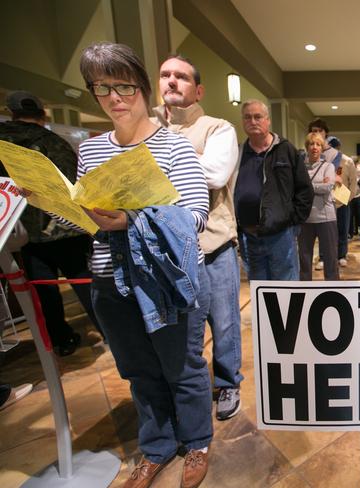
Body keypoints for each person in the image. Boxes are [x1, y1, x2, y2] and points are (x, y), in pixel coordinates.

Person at [75, 42, 212, 488]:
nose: (115, 98)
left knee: (182, 366)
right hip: (108, 276)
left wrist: (132, 219)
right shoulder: (91, 151)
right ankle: (156, 446)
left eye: (124, 87)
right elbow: (84, 217)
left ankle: (196, 443)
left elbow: (194, 215)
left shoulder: (173, 147)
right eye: (102, 89)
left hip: (163, 276)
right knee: (137, 369)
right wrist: (51, 204)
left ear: (142, 87)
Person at [152, 54, 242, 421]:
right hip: (166, 248)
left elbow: (214, 175)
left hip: (213, 243)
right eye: (165, 75)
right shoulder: (147, 127)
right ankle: (186, 389)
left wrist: (154, 167)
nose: (172, 81)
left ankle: (227, 381)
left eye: (182, 77)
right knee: (177, 325)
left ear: (198, 88)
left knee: (223, 322)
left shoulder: (218, 128)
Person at [0, 91, 102, 356]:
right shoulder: (56, 141)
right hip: (69, 230)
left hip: (28, 235)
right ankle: (109, 331)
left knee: (46, 295)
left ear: (12, 113)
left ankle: (61, 340)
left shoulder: (3, 145)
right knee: (87, 285)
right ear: (43, 114)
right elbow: (76, 186)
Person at [234, 100, 313, 280]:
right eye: (247, 117)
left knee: (286, 292)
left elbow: (305, 190)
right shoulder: (238, 153)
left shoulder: (286, 150)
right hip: (248, 238)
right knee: (260, 293)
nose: (252, 121)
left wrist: (291, 222)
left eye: (257, 117)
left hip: (281, 236)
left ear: (268, 120)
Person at [298, 133, 339, 280]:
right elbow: (295, 188)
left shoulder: (328, 166)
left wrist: (306, 186)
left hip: (326, 218)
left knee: (330, 258)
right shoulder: (300, 168)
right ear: (307, 147)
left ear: (322, 148)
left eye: (318, 144)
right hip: (305, 219)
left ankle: (333, 290)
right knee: (304, 259)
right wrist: (317, 185)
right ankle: (305, 293)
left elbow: (327, 188)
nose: (314, 147)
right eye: (311, 144)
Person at [326, 136, 356, 267]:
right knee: (326, 231)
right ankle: (324, 256)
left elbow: (353, 182)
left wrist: (348, 199)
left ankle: (342, 255)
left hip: (342, 199)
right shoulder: (323, 160)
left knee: (343, 229)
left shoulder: (347, 161)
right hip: (326, 200)